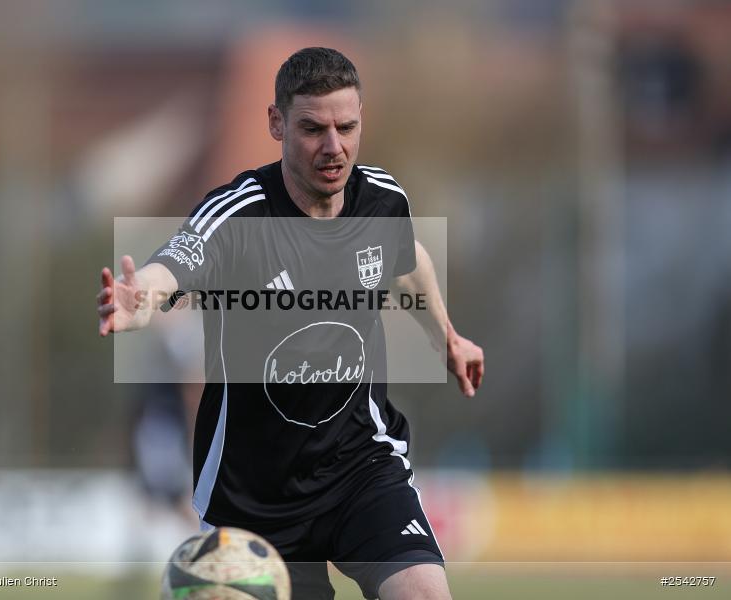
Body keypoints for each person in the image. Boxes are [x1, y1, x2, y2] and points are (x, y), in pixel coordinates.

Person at [97, 47, 483, 600]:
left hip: (361, 465)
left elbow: (409, 262)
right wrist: (141, 301)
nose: (334, 147)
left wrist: (444, 336)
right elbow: (172, 266)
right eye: (312, 128)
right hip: (254, 497)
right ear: (276, 123)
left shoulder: (381, 202)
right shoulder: (237, 216)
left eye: (346, 127)